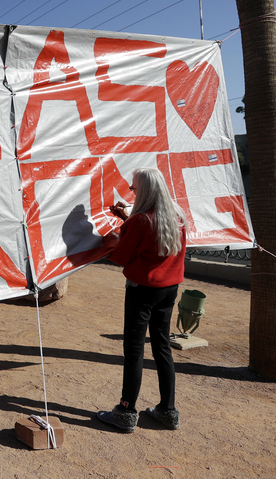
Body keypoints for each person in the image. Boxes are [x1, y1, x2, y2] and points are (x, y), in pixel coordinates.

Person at [96, 167, 186, 433]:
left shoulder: (140, 222)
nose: (131, 192)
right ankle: (168, 411)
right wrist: (127, 218)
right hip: (169, 287)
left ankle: (126, 411)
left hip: (142, 288)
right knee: (162, 347)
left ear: (144, 190)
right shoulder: (177, 215)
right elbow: (155, 239)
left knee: (134, 350)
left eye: (133, 188)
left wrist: (113, 236)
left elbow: (121, 256)